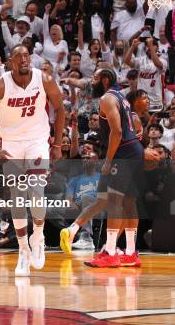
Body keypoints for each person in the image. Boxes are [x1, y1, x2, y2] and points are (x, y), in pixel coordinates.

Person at [0, 44, 65, 276]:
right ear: (10, 62)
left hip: (37, 140)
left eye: (27, 55)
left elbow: (61, 110)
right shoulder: (0, 85)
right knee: (17, 197)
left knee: (36, 190)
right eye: (18, 57)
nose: (24, 59)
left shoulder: (44, 79)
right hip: (12, 144)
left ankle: (39, 236)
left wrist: (57, 144)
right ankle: (23, 251)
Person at [62, 69, 145, 268]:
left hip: (123, 152)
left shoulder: (107, 98)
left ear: (106, 80)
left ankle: (109, 251)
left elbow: (116, 131)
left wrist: (108, 161)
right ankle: (131, 252)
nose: (93, 82)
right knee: (129, 203)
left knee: (114, 201)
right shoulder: (120, 97)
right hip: (134, 151)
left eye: (97, 78)